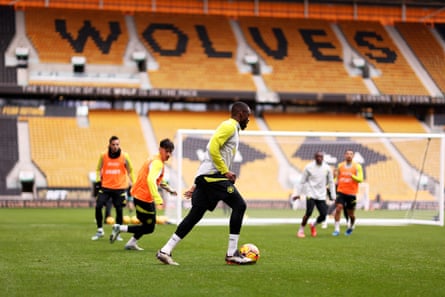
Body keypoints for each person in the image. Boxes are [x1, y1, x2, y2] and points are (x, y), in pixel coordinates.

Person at [156, 101, 253, 265]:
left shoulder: (232, 129)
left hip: (206, 177)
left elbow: (207, 158)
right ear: (241, 114)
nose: (248, 120)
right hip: (215, 176)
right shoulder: (229, 126)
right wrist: (225, 171)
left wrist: (196, 183)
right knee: (239, 205)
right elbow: (212, 148)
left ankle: (165, 250)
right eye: (248, 116)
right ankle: (232, 253)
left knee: (194, 215)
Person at [110, 138, 176, 250]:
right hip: (143, 198)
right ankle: (120, 228)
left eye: (170, 152)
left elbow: (155, 179)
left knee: (147, 225)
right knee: (149, 228)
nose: (168, 154)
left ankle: (131, 242)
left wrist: (168, 189)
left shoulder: (153, 159)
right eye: (166, 151)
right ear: (160, 149)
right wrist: (158, 198)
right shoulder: (158, 163)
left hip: (141, 196)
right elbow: (151, 180)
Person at [91, 135, 136, 241]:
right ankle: (100, 230)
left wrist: (134, 183)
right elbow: (98, 169)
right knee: (98, 206)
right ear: (109, 145)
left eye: (117, 144)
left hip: (119, 188)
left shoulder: (125, 156)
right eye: (113, 144)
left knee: (119, 210)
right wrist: (98, 180)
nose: (115, 146)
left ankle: (117, 232)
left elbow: (131, 170)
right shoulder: (103, 155)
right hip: (105, 187)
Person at [291, 151, 336, 238]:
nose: (319, 158)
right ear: (315, 157)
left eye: (321, 157)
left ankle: (313, 224)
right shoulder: (309, 167)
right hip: (310, 193)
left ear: (323, 158)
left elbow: (331, 182)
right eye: (318, 157)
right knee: (308, 212)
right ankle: (301, 230)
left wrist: (333, 195)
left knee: (323, 215)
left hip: (321, 194)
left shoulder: (327, 168)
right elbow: (302, 181)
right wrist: (298, 194)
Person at [332, 149, 363, 236]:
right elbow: (337, 178)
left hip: (351, 193)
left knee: (351, 215)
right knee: (338, 208)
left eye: (351, 154)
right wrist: (333, 182)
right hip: (341, 191)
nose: (349, 155)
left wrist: (352, 176)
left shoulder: (357, 166)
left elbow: (360, 179)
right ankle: (337, 229)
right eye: (347, 154)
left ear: (353, 156)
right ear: (344, 155)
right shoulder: (340, 166)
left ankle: (351, 226)